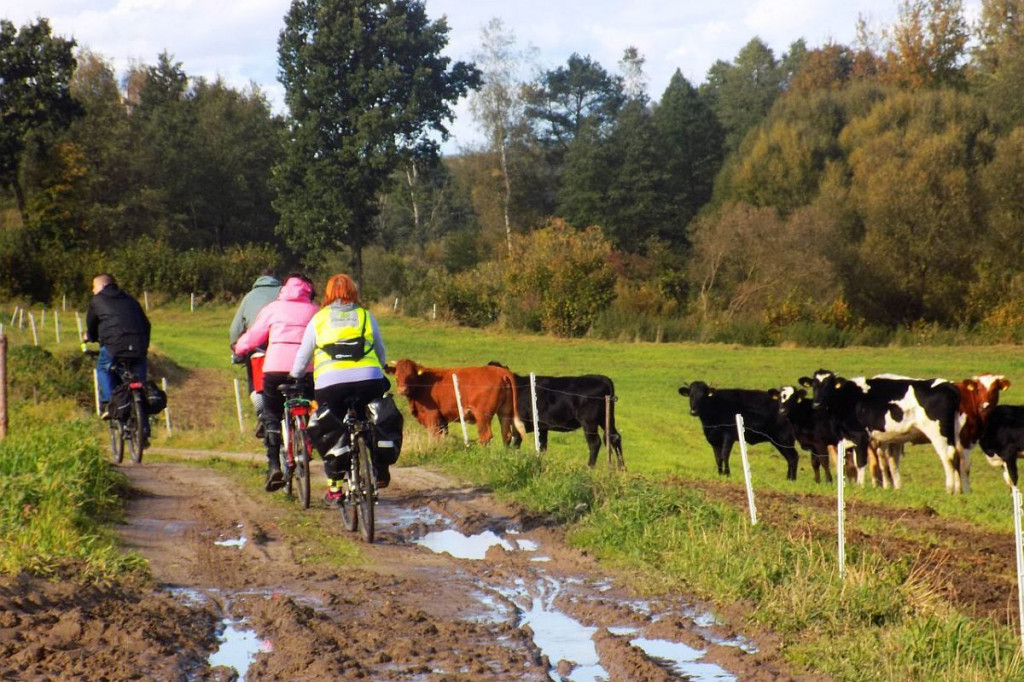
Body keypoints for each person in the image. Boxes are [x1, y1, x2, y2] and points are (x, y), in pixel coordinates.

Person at [290, 273, 390, 502]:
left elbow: (303, 354)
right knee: (373, 419)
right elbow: (380, 348)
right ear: (353, 293)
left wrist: (295, 376)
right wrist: (381, 366)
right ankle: (378, 465)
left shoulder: (319, 319)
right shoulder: (365, 315)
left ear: (328, 294)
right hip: (368, 380)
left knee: (332, 432)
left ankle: (334, 488)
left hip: (330, 384)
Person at [232, 274, 319, 491]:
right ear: (308, 291)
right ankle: (307, 435)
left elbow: (254, 336)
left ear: (284, 290)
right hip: (305, 370)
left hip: (274, 369)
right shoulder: (315, 311)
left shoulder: (273, 308)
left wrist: (239, 348)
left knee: (271, 414)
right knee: (309, 403)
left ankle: (273, 467)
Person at [84, 274, 151, 439]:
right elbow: (146, 324)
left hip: (113, 347)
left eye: (93, 287)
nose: (93, 290)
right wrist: (144, 346)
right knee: (139, 383)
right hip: (138, 347)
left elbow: (91, 326)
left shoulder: (97, 301)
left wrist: (90, 337)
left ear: (101, 286)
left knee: (103, 369)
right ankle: (143, 425)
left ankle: (109, 404)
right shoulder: (131, 300)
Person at [229, 269, 281, 438]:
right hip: (288, 350)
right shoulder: (284, 295)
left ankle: (262, 413)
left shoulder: (250, 297)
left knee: (256, 386)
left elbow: (235, 330)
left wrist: (237, 351)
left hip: (260, 352)